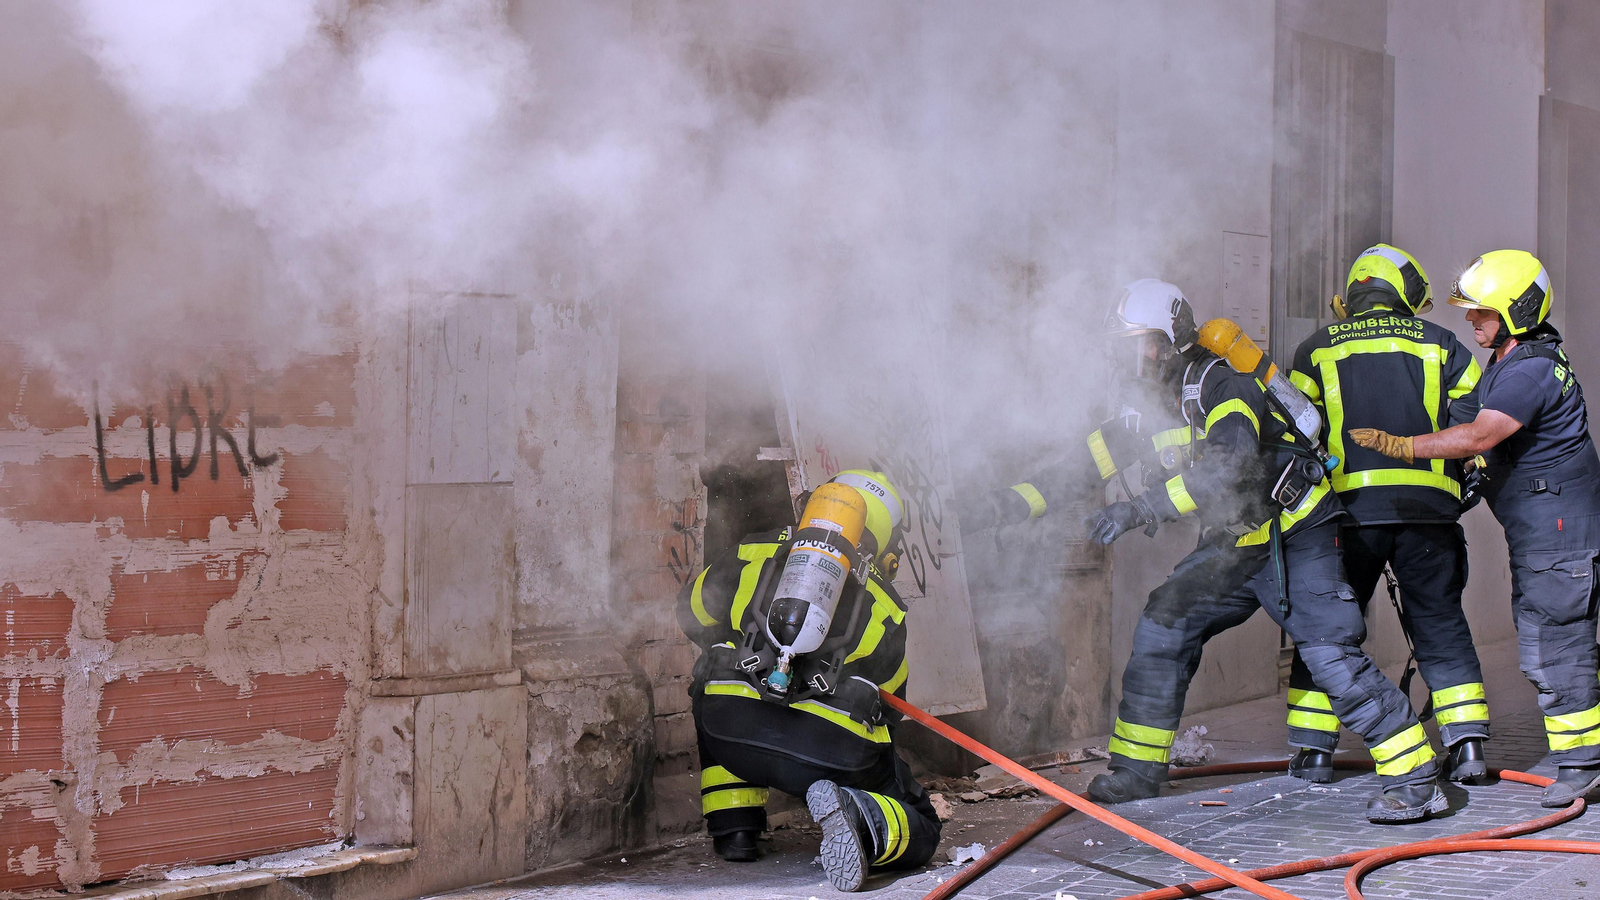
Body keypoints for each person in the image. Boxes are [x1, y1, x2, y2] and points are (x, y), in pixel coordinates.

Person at [1086, 279, 1448, 824]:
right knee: (1163, 628)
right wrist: (1006, 508)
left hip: (1297, 534)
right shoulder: (1144, 404)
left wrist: (1139, 510)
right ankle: (1135, 771)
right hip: (1234, 544)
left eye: (1142, 340)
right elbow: (1083, 465)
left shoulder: (1225, 385)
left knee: (1332, 654)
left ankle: (1416, 778)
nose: (1134, 354)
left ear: (1170, 339)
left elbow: (1226, 470)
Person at [1349, 249, 1600, 808]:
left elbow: (1480, 436)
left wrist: (1403, 447)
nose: (1471, 319)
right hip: (1544, 533)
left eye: (1482, 311)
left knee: (1555, 646)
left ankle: (1582, 764)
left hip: (1558, 536)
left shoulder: (1530, 369)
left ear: (1516, 311)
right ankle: (1581, 760)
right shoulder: (1510, 362)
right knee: (1546, 641)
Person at [1282, 243, 1490, 785]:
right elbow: (1473, 429)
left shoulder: (1315, 348)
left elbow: (1294, 434)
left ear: (1354, 293)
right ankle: (1467, 748)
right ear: (1405, 291)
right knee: (1441, 625)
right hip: (1429, 515)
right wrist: (1464, 484)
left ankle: (1313, 752)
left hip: (1345, 518)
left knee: (1326, 633)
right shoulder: (1443, 344)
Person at [677, 470, 940, 891]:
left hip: (731, 730)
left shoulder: (751, 551)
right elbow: (891, 702)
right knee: (922, 823)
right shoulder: (885, 604)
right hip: (827, 756)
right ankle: (858, 813)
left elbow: (691, 611)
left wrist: (734, 649)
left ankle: (735, 829)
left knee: (711, 675)